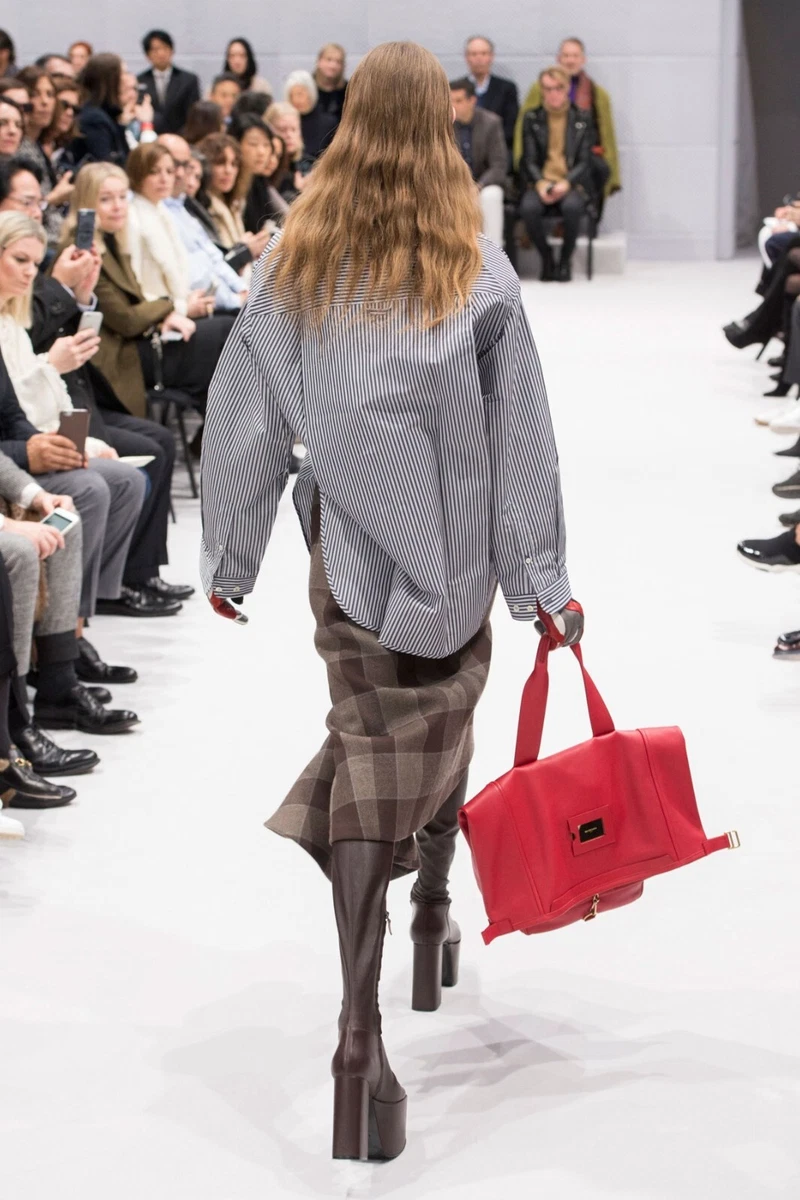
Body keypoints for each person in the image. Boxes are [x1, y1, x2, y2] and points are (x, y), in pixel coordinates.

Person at [201, 40, 582, 1162]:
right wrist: (542, 585)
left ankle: (359, 1032)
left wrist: (231, 558)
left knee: (372, 747)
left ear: (350, 121)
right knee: (439, 726)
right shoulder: (480, 270)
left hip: (352, 561)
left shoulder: (292, 265)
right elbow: (521, 445)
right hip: (454, 563)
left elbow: (245, 419)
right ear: (440, 128)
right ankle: (427, 918)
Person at [63, 162, 232, 430]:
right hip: (116, 358)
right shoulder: (80, 253)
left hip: (138, 340)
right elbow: (125, 320)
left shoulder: (113, 240)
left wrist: (164, 316)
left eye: (122, 197)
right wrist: (168, 308)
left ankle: (221, 435)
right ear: (86, 203)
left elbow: (135, 305)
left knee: (224, 345)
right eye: (105, 199)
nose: (118, 206)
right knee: (226, 334)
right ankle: (224, 436)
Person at [515, 37, 621, 214]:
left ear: (583, 59)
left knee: (597, 173)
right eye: (566, 56)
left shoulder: (597, 93)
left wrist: (612, 172)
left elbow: (607, 135)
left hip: (585, 159)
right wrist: (521, 162)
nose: (570, 60)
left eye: (575, 56)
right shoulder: (539, 89)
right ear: (559, 59)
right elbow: (523, 130)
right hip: (545, 159)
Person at [157, 132, 251, 310]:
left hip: (220, 298)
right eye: (173, 164)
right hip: (190, 304)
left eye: (184, 165)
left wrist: (244, 290)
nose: (180, 173)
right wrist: (235, 300)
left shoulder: (181, 207)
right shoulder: (159, 210)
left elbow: (214, 258)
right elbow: (195, 276)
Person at [518, 66, 592, 282]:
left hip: (571, 182)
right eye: (548, 88)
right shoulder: (532, 118)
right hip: (541, 181)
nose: (553, 94)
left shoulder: (581, 119)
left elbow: (585, 160)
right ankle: (547, 257)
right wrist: (540, 183)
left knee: (572, 208)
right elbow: (528, 159)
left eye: (558, 88)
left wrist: (567, 182)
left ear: (567, 88)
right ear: (541, 90)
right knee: (528, 208)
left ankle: (565, 260)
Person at [15, 67, 74, 241]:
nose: (44, 102)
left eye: (50, 94)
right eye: (35, 94)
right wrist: (55, 198)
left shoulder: (38, 145)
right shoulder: (18, 148)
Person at [449, 77, 507, 248]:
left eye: (458, 101)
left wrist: (478, 186)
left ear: (472, 100)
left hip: (483, 183)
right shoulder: (444, 125)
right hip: (454, 184)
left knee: (491, 195)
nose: (453, 106)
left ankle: (493, 252)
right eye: (450, 101)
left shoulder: (491, 123)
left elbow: (499, 165)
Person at [137, 30, 201, 136]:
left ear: (172, 50)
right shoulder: (140, 80)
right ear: (147, 55)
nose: (161, 53)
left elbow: (193, 113)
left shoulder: (189, 80)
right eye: (155, 49)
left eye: (165, 48)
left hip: (182, 136)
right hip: (150, 136)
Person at [463, 35, 519, 153]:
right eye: (474, 54)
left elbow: (510, 127)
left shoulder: (506, 88)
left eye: (483, 54)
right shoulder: (456, 89)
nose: (479, 58)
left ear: (491, 57)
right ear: (466, 57)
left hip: (497, 151)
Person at [74, 53, 129, 166]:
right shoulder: (95, 119)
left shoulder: (107, 115)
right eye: (123, 73)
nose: (127, 79)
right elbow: (105, 164)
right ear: (111, 79)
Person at [283, 71, 336, 160]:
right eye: (292, 95)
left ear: (310, 93)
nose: (296, 100)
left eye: (300, 94)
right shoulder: (285, 123)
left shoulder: (329, 123)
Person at [265, 102, 311, 199]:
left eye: (294, 129)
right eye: (282, 130)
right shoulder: (265, 168)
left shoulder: (309, 164)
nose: (289, 135)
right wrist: (299, 192)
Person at [119, 71, 157, 152]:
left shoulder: (145, 114)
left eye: (135, 89)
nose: (133, 94)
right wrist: (147, 125)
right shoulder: (109, 118)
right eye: (126, 89)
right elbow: (143, 154)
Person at [313, 43, 347, 125]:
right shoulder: (307, 87)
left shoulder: (348, 90)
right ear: (319, 61)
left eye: (338, 62)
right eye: (329, 60)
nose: (333, 66)